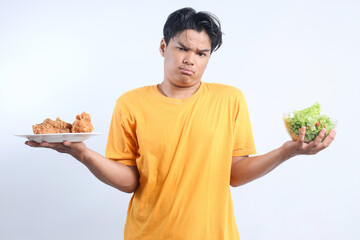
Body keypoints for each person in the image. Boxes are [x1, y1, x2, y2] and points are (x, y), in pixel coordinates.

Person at [25, 7, 336, 240]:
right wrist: (83, 154)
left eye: (201, 53)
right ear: (164, 47)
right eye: (183, 48)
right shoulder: (130, 103)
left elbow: (235, 174)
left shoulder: (230, 100)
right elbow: (130, 181)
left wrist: (287, 151)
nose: (191, 59)